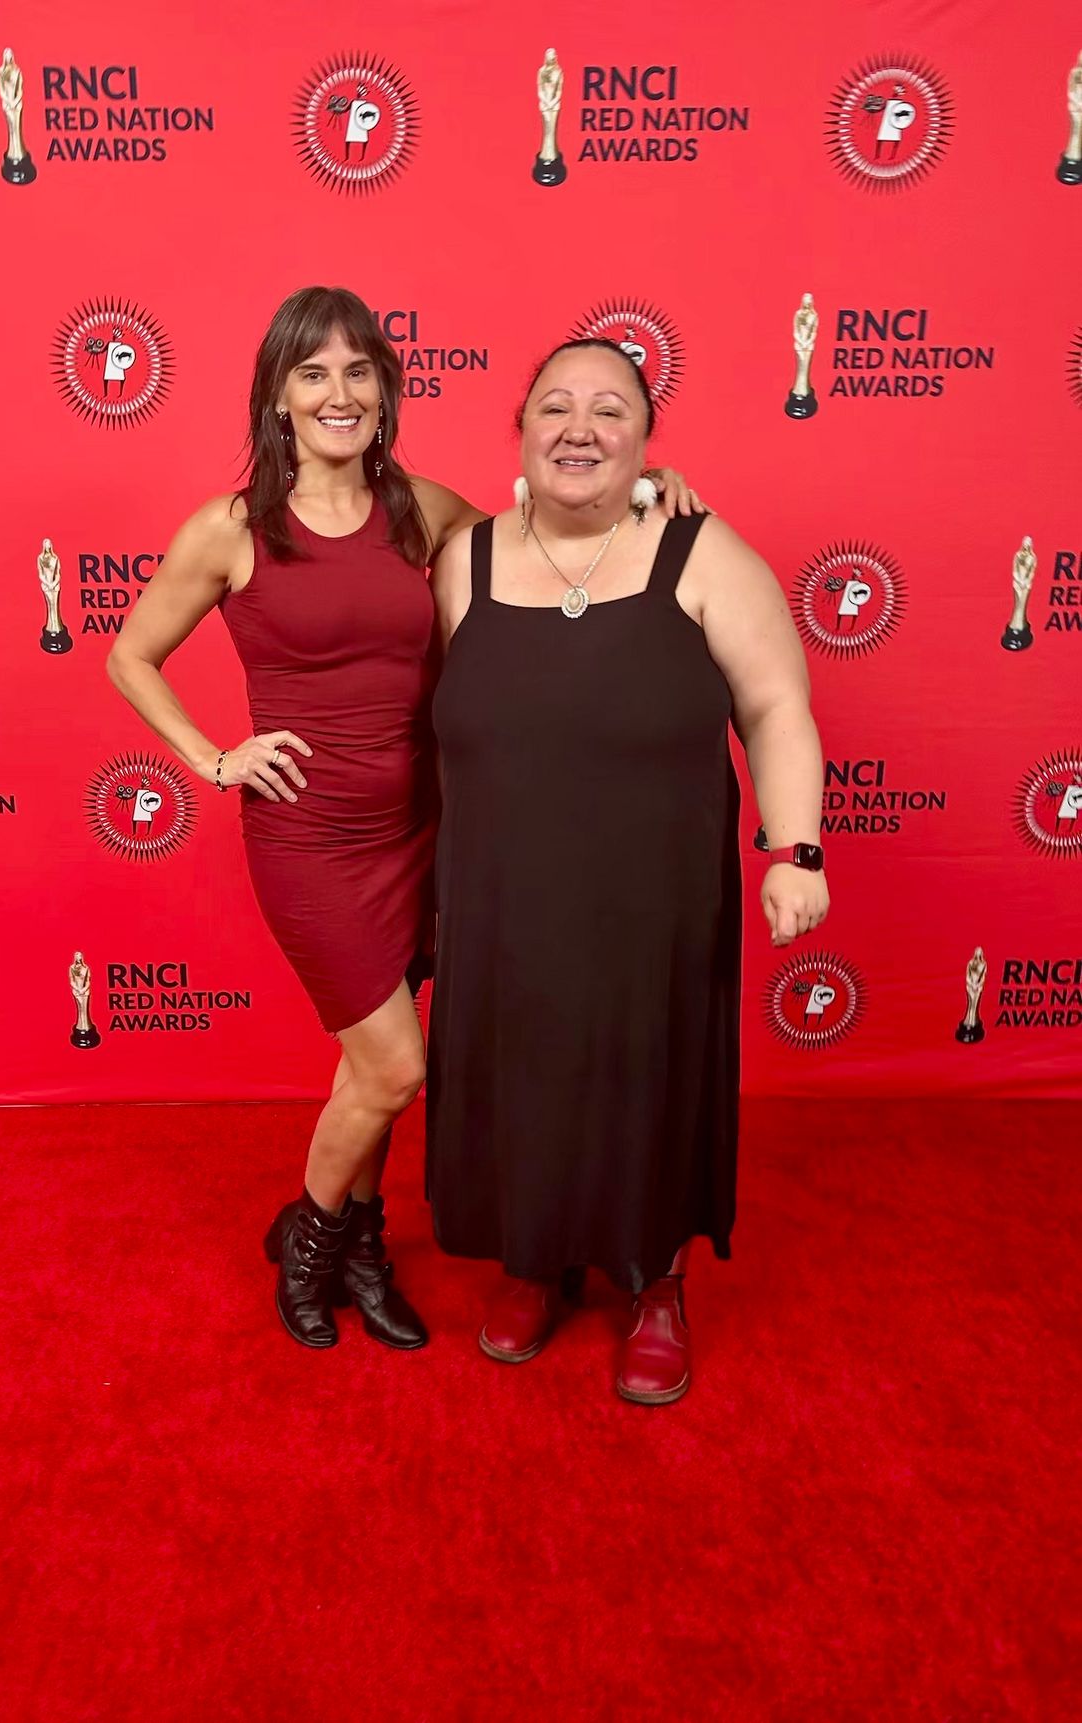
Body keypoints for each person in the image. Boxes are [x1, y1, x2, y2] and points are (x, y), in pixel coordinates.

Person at [108, 288, 701, 1354]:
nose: (337, 394)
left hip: (424, 831)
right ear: (277, 397)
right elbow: (129, 655)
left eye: (357, 372)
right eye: (312, 374)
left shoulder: (421, 509)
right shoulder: (232, 529)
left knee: (365, 1070)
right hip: (308, 839)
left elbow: (550, 532)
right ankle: (308, 1241)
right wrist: (213, 756)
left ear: (384, 392)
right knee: (393, 1066)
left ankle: (362, 1247)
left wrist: (645, 485)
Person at [426, 338, 828, 1405]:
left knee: (651, 1071)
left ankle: (657, 1281)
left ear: (647, 439)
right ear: (519, 428)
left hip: (655, 897)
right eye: (554, 406)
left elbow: (776, 707)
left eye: (610, 411)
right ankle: (534, 1257)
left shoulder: (701, 551)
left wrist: (794, 848)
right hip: (501, 895)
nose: (580, 429)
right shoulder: (460, 560)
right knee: (518, 1067)